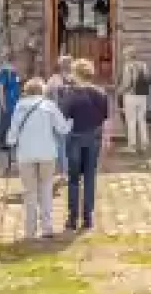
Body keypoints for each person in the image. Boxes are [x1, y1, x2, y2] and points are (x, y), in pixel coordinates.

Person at [6, 77, 71, 240]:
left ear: (26, 91)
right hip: (47, 153)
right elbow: (63, 129)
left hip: (26, 154)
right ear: (43, 91)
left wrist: (11, 141)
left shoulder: (20, 107)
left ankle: (30, 230)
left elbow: (12, 134)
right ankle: (47, 228)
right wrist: (71, 121)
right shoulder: (50, 106)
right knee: (46, 189)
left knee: (30, 192)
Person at [59, 58, 108, 231]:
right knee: (89, 178)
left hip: (75, 138)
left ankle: (72, 218)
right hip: (94, 137)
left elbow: (63, 117)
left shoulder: (70, 94)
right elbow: (104, 118)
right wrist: (106, 138)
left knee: (73, 179)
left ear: (76, 74)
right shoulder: (101, 93)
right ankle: (88, 218)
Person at [118, 45, 151, 153]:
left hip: (131, 96)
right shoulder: (144, 65)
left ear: (128, 55)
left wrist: (120, 91)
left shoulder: (128, 66)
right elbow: (149, 80)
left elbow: (127, 83)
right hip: (143, 96)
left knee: (131, 120)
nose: (124, 57)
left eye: (125, 55)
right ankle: (144, 144)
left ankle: (132, 146)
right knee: (142, 120)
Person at [47, 55, 74, 177]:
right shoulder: (76, 80)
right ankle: (71, 170)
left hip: (57, 115)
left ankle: (63, 171)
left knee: (60, 144)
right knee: (71, 144)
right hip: (72, 115)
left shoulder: (53, 80)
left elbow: (46, 96)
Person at [0, 52, 21, 170]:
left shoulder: (14, 73)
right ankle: (6, 163)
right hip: (8, 107)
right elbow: (0, 89)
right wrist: (3, 105)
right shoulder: (4, 73)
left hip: (15, 106)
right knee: (5, 132)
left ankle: (12, 161)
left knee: (12, 132)